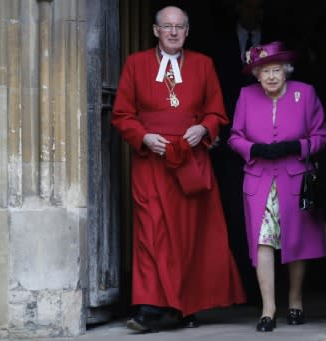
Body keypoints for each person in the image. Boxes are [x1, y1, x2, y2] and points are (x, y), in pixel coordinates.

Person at [111, 5, 246, 333]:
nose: (173, 32)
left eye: (179, 27)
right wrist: (144, 137)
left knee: (189, 238)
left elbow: (217, 112)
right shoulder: (135, 64)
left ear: (187, 31)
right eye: (167, 26)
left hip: (191, 163)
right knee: (151, 233)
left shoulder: (203, 64)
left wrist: (204, 129)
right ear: (155, 31)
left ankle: (185, 305)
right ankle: (148, 307)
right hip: (151, 164)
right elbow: (122, 114)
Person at [228, 41, 326, 332]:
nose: (271, 76)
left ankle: (295, 301)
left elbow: (322, 136)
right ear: (257, 75)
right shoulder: (246, 96)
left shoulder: (305, 93)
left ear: (286, 72)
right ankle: (268, 309)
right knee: (263, 240)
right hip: (259, 180)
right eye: (265, 71)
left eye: (276, 70)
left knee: (296, 238)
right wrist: (254, 150)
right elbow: (234, 137)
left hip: (296, 178)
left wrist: (297, 146)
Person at [209, 0, 266, 304]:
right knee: (233, 210)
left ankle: (267, 288)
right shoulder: (216, 41)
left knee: (268, 215)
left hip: (269, 143)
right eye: (248, 5)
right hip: (228, 140)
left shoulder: (274, 40)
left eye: (259, 6)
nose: (254, 11)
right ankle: (240, 284)